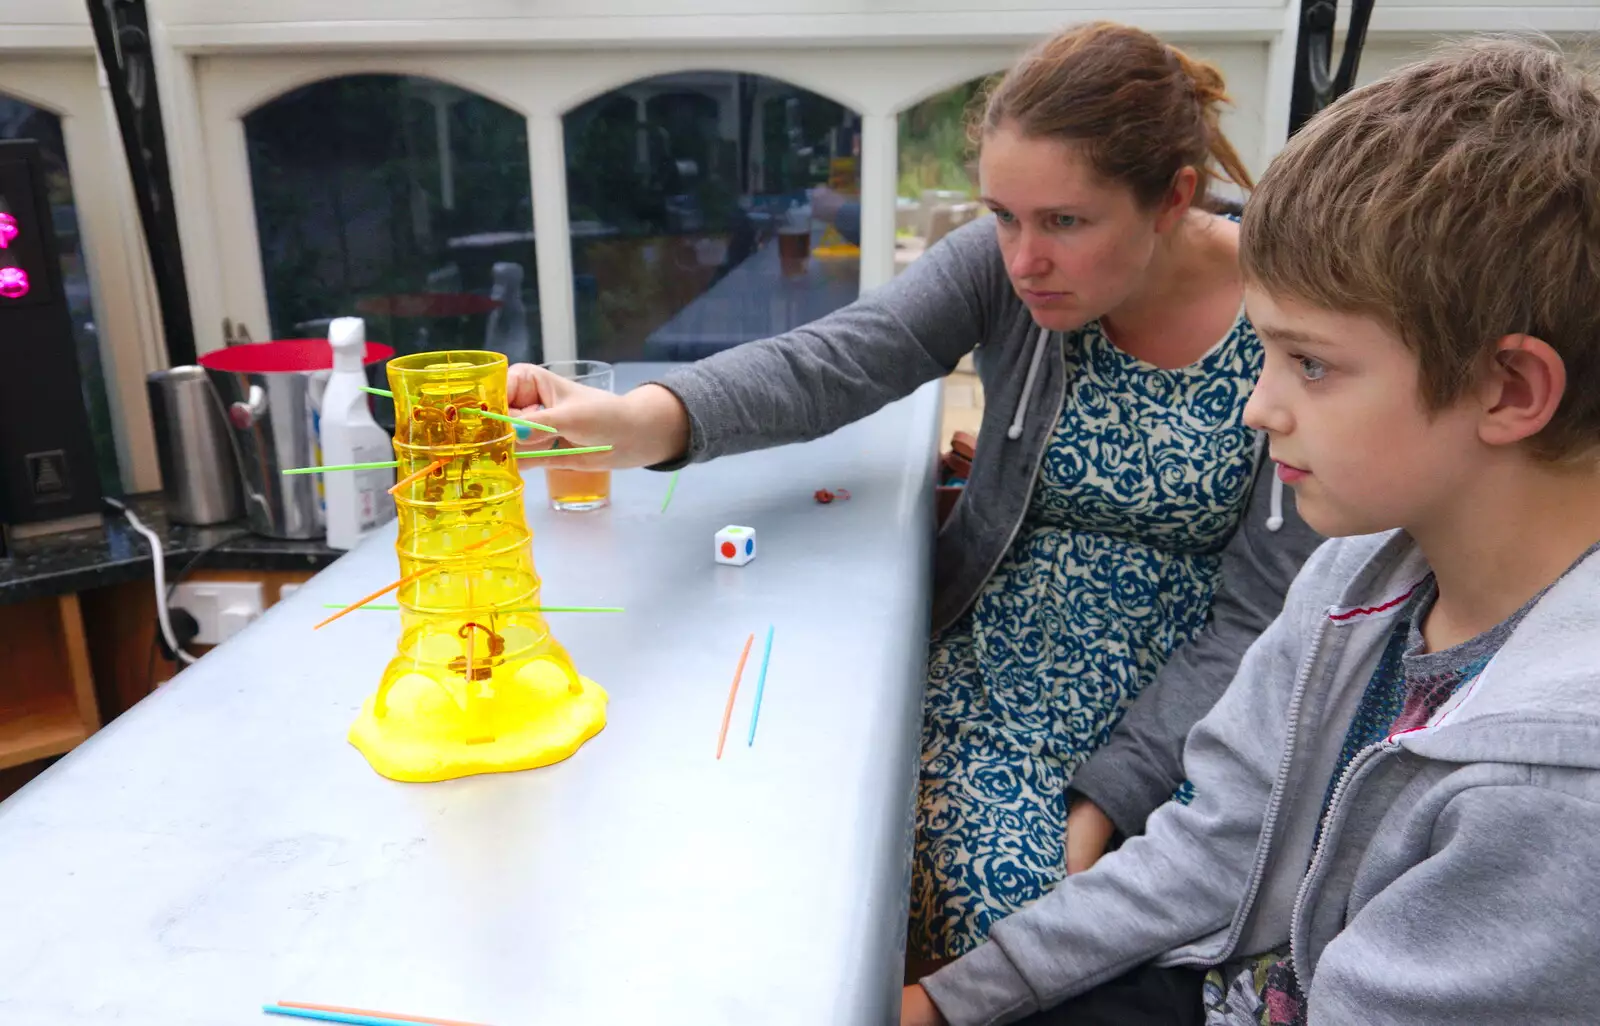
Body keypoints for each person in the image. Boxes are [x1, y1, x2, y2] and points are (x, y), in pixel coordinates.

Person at [509, 21, 1320, 968]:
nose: (1023, 260)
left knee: (1075, 943)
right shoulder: (1004, 270)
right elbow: (838, 360)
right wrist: (642, 419)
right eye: (1004, 216)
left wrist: (1108, 801)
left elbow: (1264, 616)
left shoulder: (1288, 322)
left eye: (1065, 221)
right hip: (992, 670)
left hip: (1186, 706)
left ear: (1172, 197)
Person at [899, 35, 1600, 1026]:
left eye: (1308, 364)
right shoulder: (1349, 580)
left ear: (1510, 387)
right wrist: (945, 1003)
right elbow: (1214, 842)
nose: (1256, 408)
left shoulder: (1553, 790)